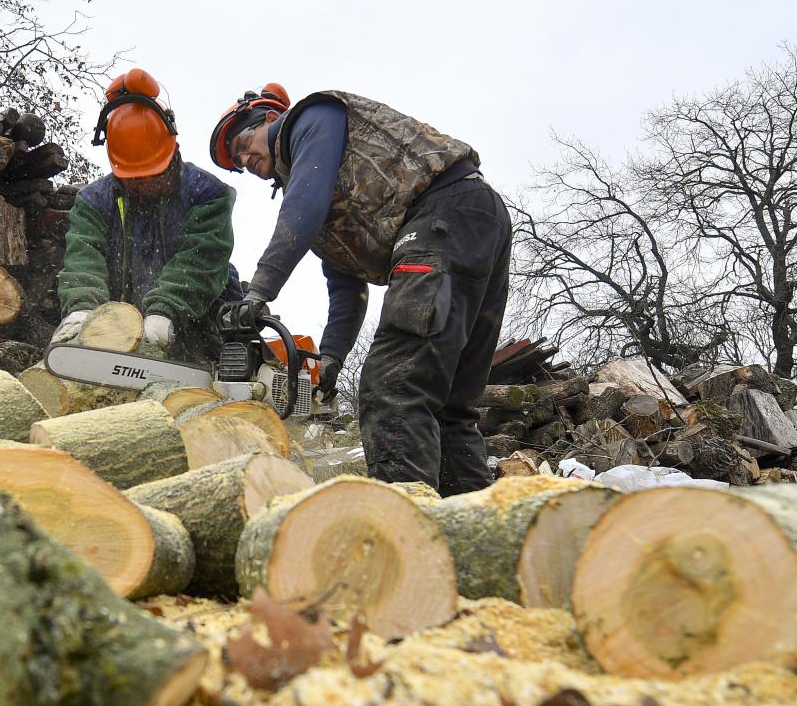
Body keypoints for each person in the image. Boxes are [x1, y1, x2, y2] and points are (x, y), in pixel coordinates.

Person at [210, 84, 511, 494]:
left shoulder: (311, 120)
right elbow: (347, 288)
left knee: (393, 388)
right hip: (473, 223)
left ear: (268, 118)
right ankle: (475, 537)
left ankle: (405, 535)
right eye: (239, 163)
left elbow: (304, 206)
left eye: (243, 143)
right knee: (448, 409)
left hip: (441, 213)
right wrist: (331, 358)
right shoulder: (326, 197)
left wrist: (258, 292)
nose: (245, 160)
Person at [54, 69, 242, 363]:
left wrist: (165, 309)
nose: (143, 185)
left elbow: (200, 261)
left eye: (152, 176)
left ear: (172, 151)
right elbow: (84, 255)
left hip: (202, 323)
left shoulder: (208, 195)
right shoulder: (94, 201)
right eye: (133, 179)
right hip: (123, 328)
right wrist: (82, 308)